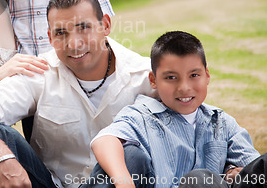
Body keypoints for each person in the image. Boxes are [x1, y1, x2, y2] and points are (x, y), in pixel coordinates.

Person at [0, 0, 156, 188]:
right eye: (61, 33)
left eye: (83, 27)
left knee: (131, 154)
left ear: (105, 25)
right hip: (51, 183)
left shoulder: (146, 76)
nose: (73, 44)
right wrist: (0, 157)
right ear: (49, 37)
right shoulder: (40, 72)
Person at [90, 31, 266, 188]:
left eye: (194, 75)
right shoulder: (143, 116)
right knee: (131, 155)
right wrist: (124, 182)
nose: (184, 87)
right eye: (171, 77)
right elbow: (105, 140)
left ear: (207, 76)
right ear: (153, 80)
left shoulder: (221, 122)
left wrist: (234, 171)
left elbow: (254, 168)